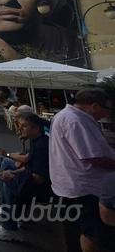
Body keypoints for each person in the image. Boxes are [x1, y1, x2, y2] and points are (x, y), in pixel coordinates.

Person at [49, 87, 115, 252]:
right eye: (106, 109)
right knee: (92, 232)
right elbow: (92, 157)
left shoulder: (68, 116)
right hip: (85, 188)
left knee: (77, 230)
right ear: (94, 106)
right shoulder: (75, 120)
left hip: (70, 184)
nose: (106, 114)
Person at [0, 112, 52, 242]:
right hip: (33, 181)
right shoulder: (36, 140)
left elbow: (39, 178)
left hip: (43, 189)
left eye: (24, 126)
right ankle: (5, 210)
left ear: (36, 128)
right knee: (7, 172)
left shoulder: (42, 146)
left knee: (8, 182)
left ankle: (9, 228)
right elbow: (29, 166)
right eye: (19, 125)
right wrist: (13, 173)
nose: (19, 129)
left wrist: (13, 175)